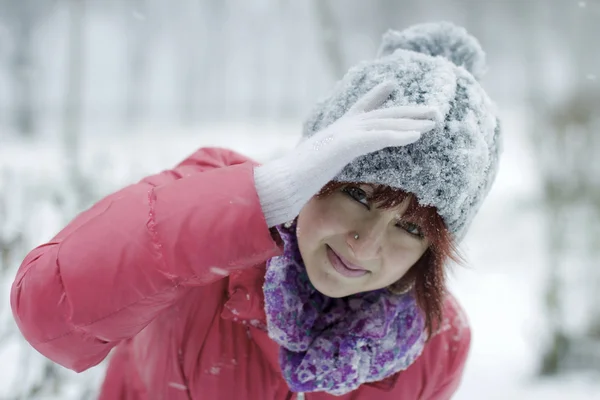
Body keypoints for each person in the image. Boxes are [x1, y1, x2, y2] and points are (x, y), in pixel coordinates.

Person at [11, 21, 501, 400]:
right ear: (317, 166)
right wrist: (262, 197)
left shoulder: (433, 345)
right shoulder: (212, 201)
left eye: (411, 228)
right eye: (358, 196)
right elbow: (46, 312)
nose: (367, 244)